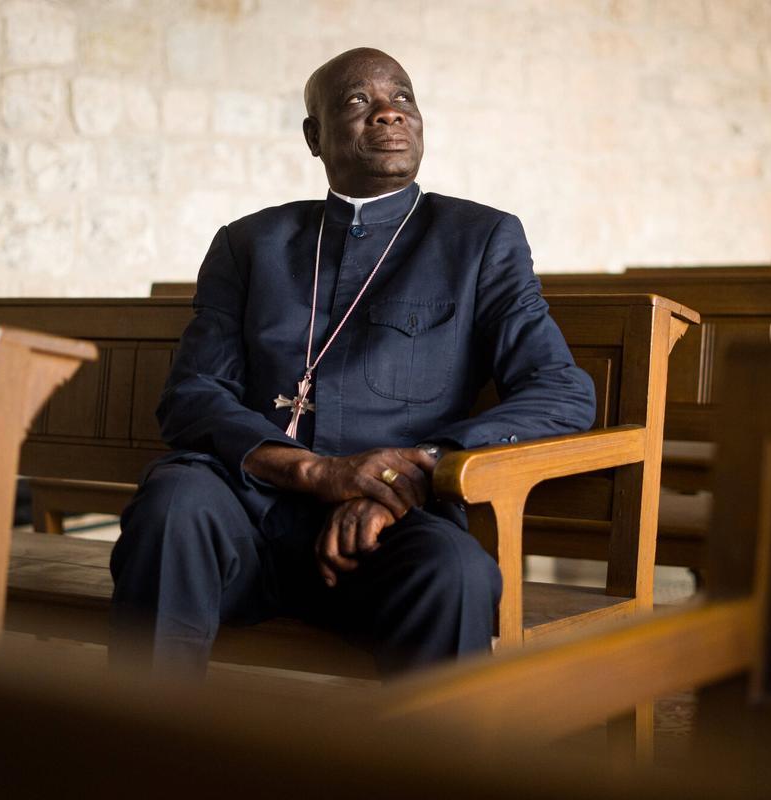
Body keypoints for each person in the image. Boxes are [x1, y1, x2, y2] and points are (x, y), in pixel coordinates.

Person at [110, 47, 596, 678]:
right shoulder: (249, 243)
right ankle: (137, 755)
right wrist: (313, 474)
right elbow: (192, 396)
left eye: (403, 98)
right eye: (358, 102)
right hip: (244, 516)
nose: (389, 114)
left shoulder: (479, 240)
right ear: (314, 137)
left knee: (457, 572)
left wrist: (413, 473)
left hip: (387, 531)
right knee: (173, 503)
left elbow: (561, 391)